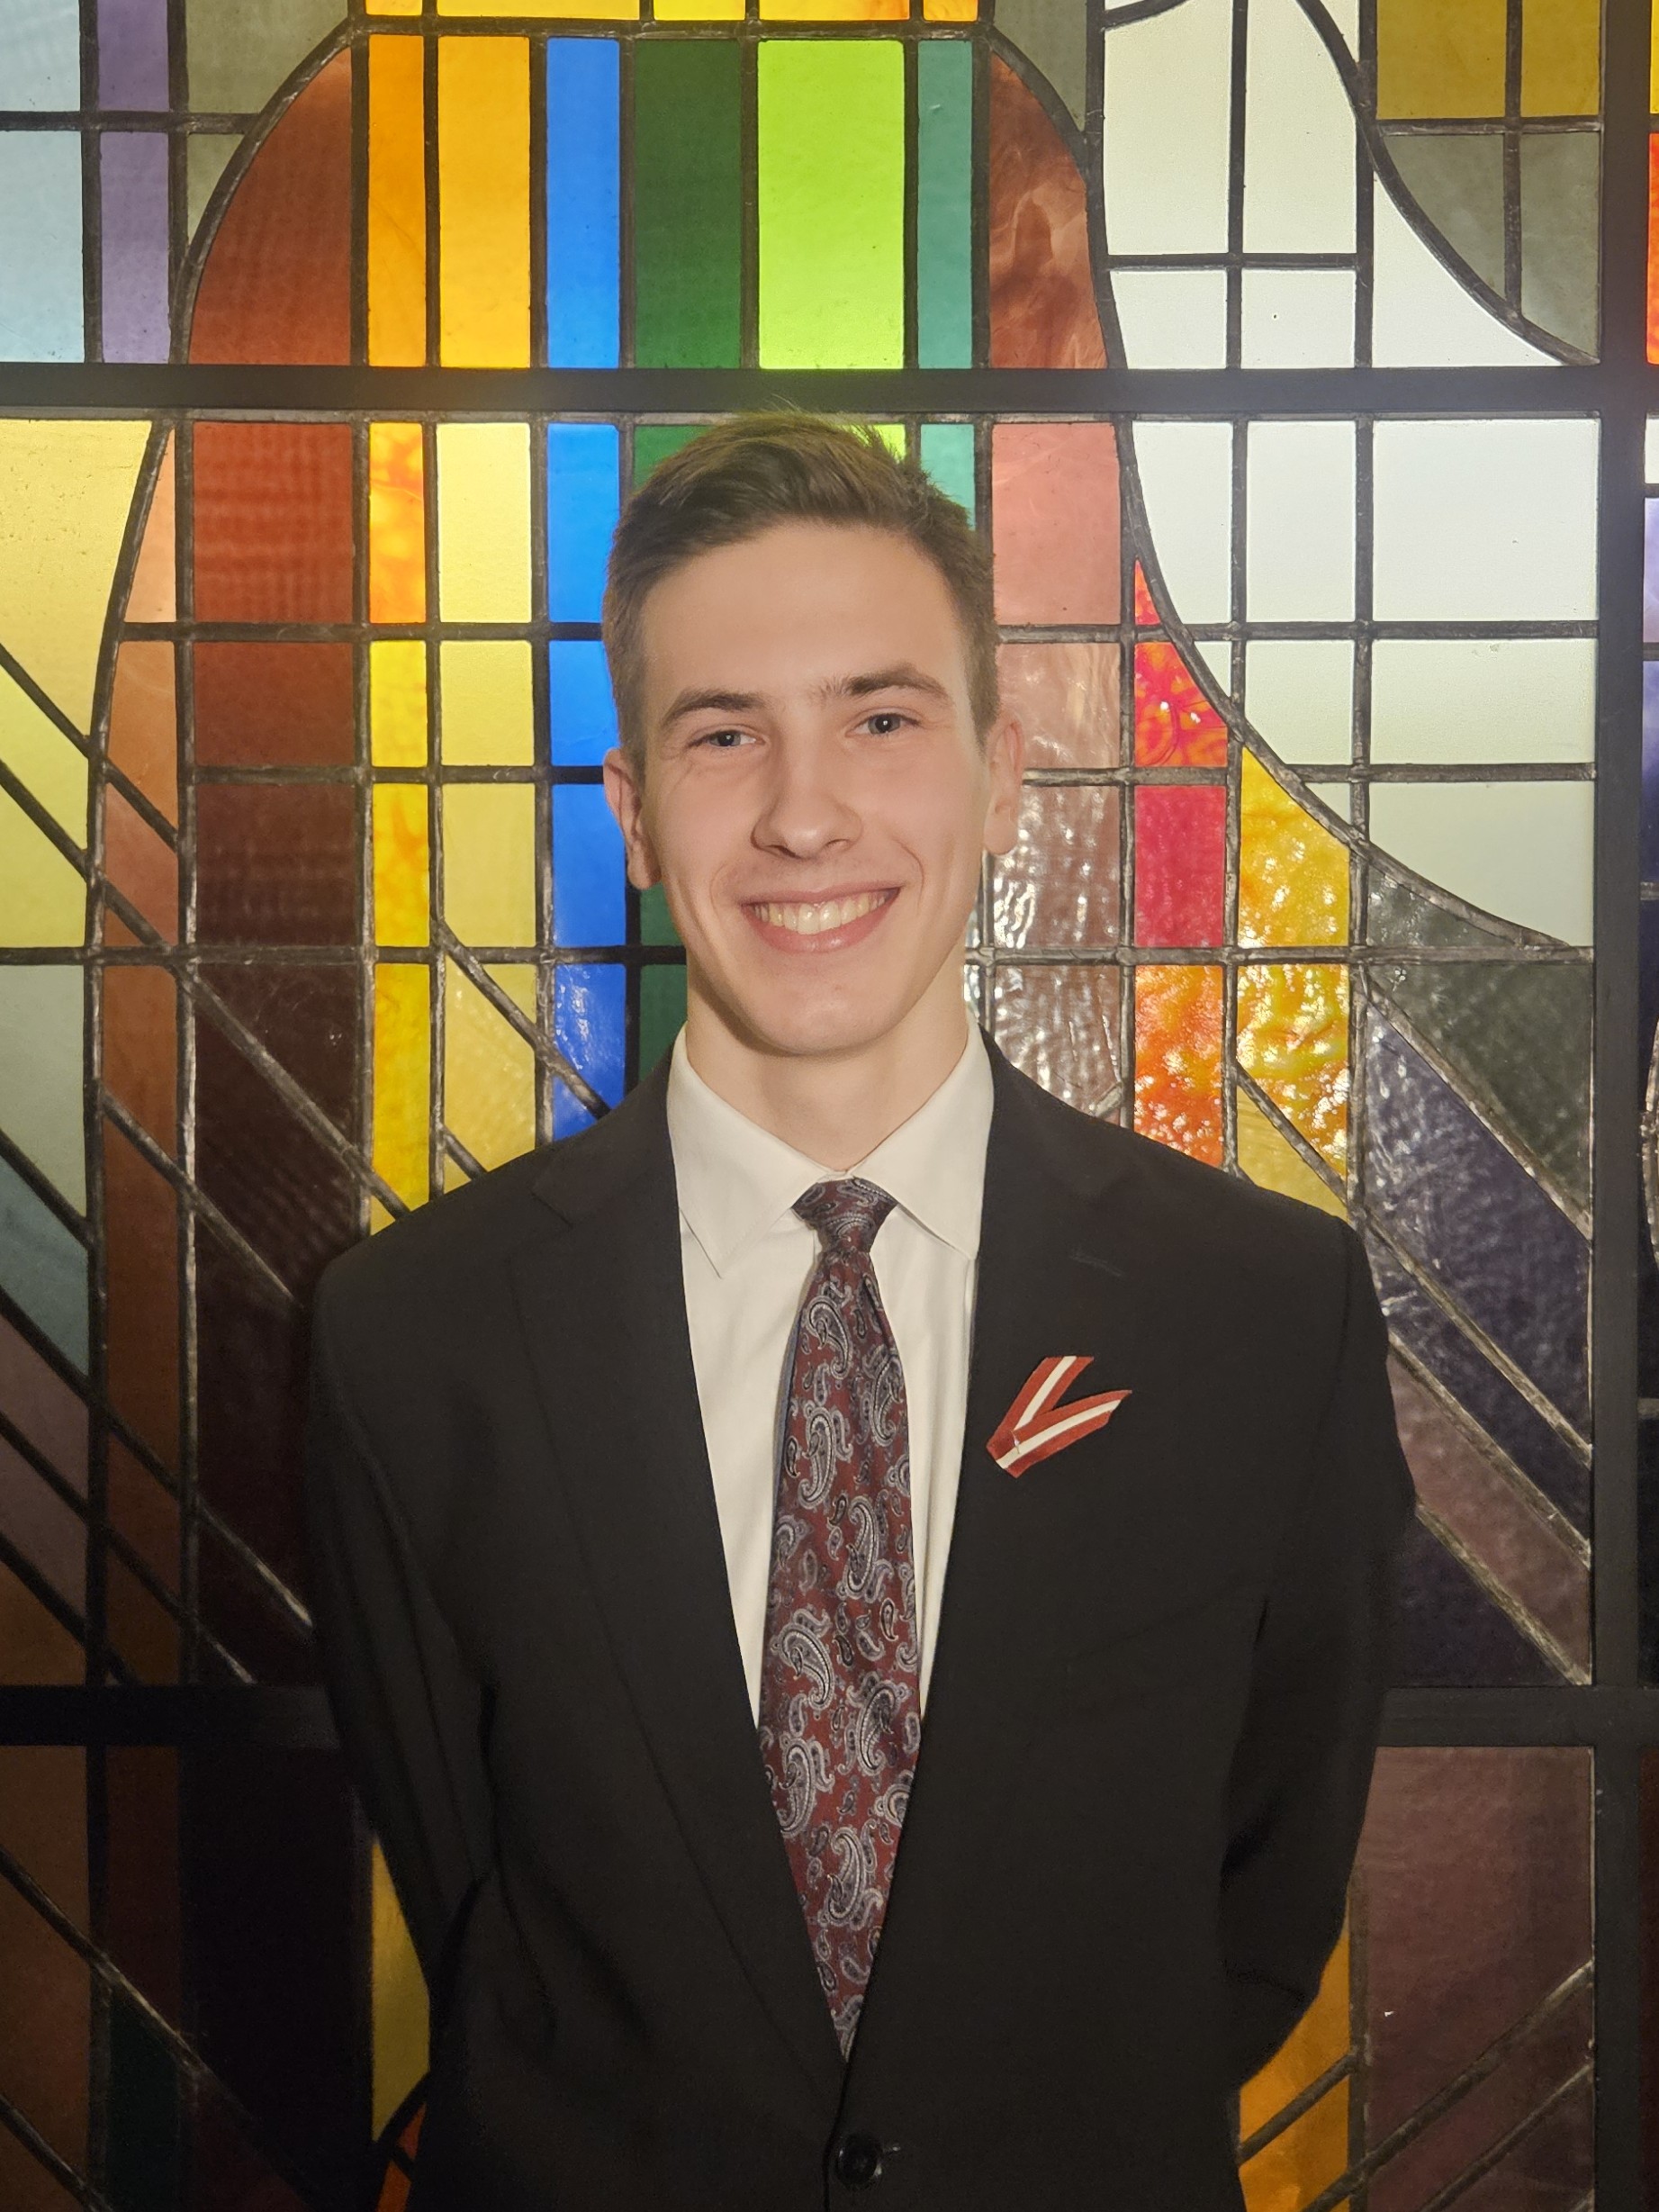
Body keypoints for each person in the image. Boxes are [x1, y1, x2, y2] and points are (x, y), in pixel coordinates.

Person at [305, 413, 1415, 2210]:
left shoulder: (1263, 1315)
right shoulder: (413, 1340)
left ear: (999, 774)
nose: (803, 811)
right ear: (633, 813)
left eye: (879, 719)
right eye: (722, 733)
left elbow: (1259, 1898)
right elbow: (469, 1890)